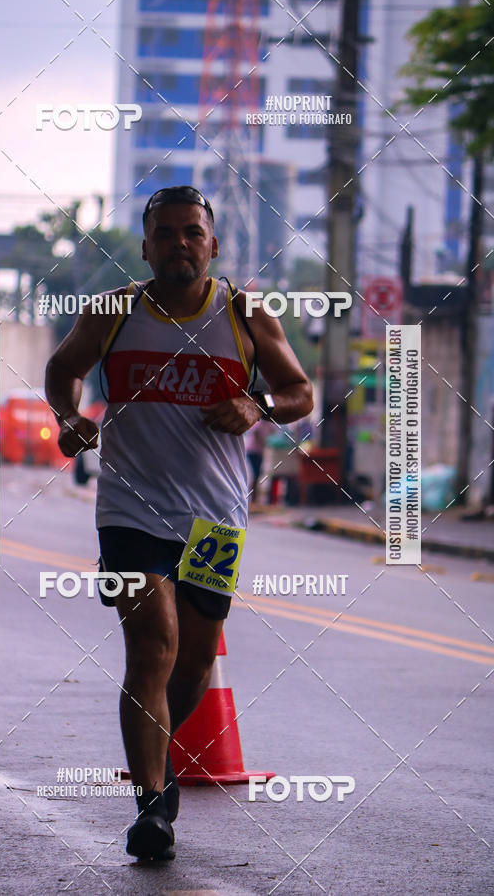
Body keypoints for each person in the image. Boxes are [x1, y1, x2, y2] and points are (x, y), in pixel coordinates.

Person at [45, 186, 313, 861]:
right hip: (131, 510)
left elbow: (300, 392)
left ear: (213, 244)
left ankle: (157, 777)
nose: (179, 244)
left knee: (193, 659)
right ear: (146, 247)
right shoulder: (113, 311)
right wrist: (69, 417)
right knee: (154, 646)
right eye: (165, 234)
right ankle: (150, 811)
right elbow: (62, 369)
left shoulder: (245, 313)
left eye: (192, 232)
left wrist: (257, 407)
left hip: (216, 517)